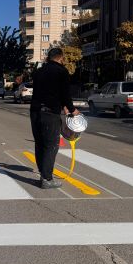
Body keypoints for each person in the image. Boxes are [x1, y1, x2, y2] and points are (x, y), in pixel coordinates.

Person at [30, 48, 79, 189]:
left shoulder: (38, 72)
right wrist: (71, 109)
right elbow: (65, 93)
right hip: (50, 114)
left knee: (39, 144)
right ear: (61, 58)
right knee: (51, 146)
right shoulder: (61, 72)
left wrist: (62, 105)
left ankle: (42, 173)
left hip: (35, 112)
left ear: (48, 57)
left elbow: (46, 91)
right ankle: (47, 179)